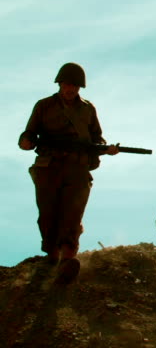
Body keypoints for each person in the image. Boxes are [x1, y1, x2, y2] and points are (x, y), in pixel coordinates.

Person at [18, 62, 119, 284]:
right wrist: (26, 141)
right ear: (60, 84)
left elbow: (96, 138)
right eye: (66, 84)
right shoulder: (44, 106)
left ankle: (68, 256)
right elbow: (28, 134)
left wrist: (106, 148)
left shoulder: (87, 109)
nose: (69, 89)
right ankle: (52, 254)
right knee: (48, 212)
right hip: (49, 167)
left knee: (73, 213)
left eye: (74, 85)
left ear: (80, 87)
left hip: (77, 168)